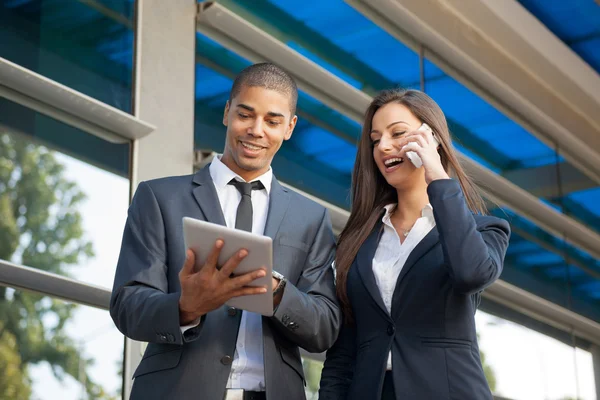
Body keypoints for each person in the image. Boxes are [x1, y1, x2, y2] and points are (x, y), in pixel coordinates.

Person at [110, 63, 341, 400]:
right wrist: (186, 307)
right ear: (226, 112)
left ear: (289, 127)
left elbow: (325, 328)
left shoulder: (311, 217)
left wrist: (277, 292)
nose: (256, 130)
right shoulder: (160, 197)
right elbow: (127, 305)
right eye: (245, 115)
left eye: (272, 121)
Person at [318, 89, 510, 400]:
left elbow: (470, 274)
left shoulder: (484, 229)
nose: (383, 146)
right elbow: (344, 353)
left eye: (397, 133)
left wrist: (437, 174)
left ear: (432, 138)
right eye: (375, 139)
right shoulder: (357, 241)